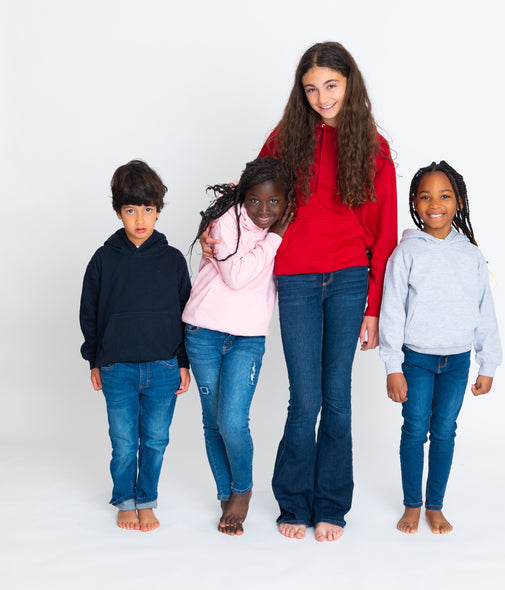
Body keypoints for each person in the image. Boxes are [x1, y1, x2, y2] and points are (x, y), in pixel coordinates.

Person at [201, 42, 397, 541]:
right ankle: (293, 502)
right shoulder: (285, 137)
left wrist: (374, 308)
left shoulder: (373, 147)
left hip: (351, 277)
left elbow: (385, 232)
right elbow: (252, 195)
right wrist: (215, 230)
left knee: (338, 398)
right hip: (296, 279)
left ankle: (331, 504)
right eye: (311, 88)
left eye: (330, 85)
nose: (322, 97)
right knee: (304, 399)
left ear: (349, 84)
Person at [379, 161, 502, 535]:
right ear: (414, 204)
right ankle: (412, 505)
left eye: (445, 195)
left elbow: (485, 309)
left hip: (457, 360)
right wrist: (393, 365)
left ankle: (435, 505)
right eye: (426, 196)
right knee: (414, 431)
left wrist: (488, 363)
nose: (436, 203)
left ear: (459, 200)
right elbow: (392, 310)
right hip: (416, 359)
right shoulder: (406, 253)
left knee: (445, 431)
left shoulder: (470, 254)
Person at [183, 157, 293, 536]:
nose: (264, 211)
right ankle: (225, 493)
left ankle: (242, 490)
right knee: (212, 420)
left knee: (232, 420)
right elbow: (236, 274)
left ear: (286, 201)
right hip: (203, 331)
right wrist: (275, 236)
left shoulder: (279, 217)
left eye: (274, 203)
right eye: (256, 202)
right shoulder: (226, 219)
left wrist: (274, 234)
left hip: (247, 336)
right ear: (244, 196)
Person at [80, 160, 191, 532]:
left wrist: (183, 362)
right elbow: (90, 313)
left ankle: (147, 500)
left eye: (147, 209)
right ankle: (124, 500)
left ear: (158, 211)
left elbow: (185, 314)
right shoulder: (103, 260)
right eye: (130, 210)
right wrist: (94, 359)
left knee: (156, 440)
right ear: (118, 212)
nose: (139, 218)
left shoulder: (173, 260)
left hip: (162, 368)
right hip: (117, 368)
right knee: (125, 441)